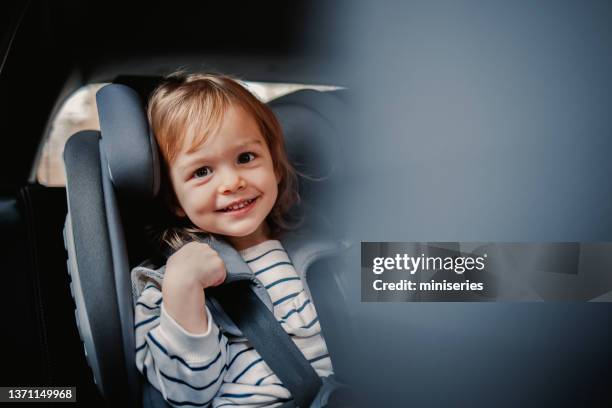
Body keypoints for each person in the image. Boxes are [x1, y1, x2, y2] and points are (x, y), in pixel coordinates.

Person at [130, 72, 346, 408]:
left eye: (245, 158)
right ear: (174, 199)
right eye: (202, 171)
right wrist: (183, 288)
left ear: (274, 166)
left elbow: (432, 278)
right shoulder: (162, 288)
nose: (232, 182)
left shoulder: (323, 244)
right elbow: (187, 395)